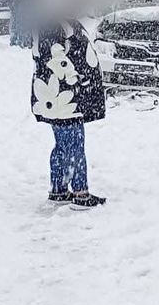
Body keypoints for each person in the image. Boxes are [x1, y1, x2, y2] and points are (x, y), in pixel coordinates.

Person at [31, 18, 107, 207]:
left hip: (62, 98)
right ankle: (80, 193)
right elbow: (54, 57)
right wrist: (76, 79)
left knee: (64, 145)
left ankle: (59, 189)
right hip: (62, 97)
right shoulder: (52, 22)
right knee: (74, 144)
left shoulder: (62, 19)